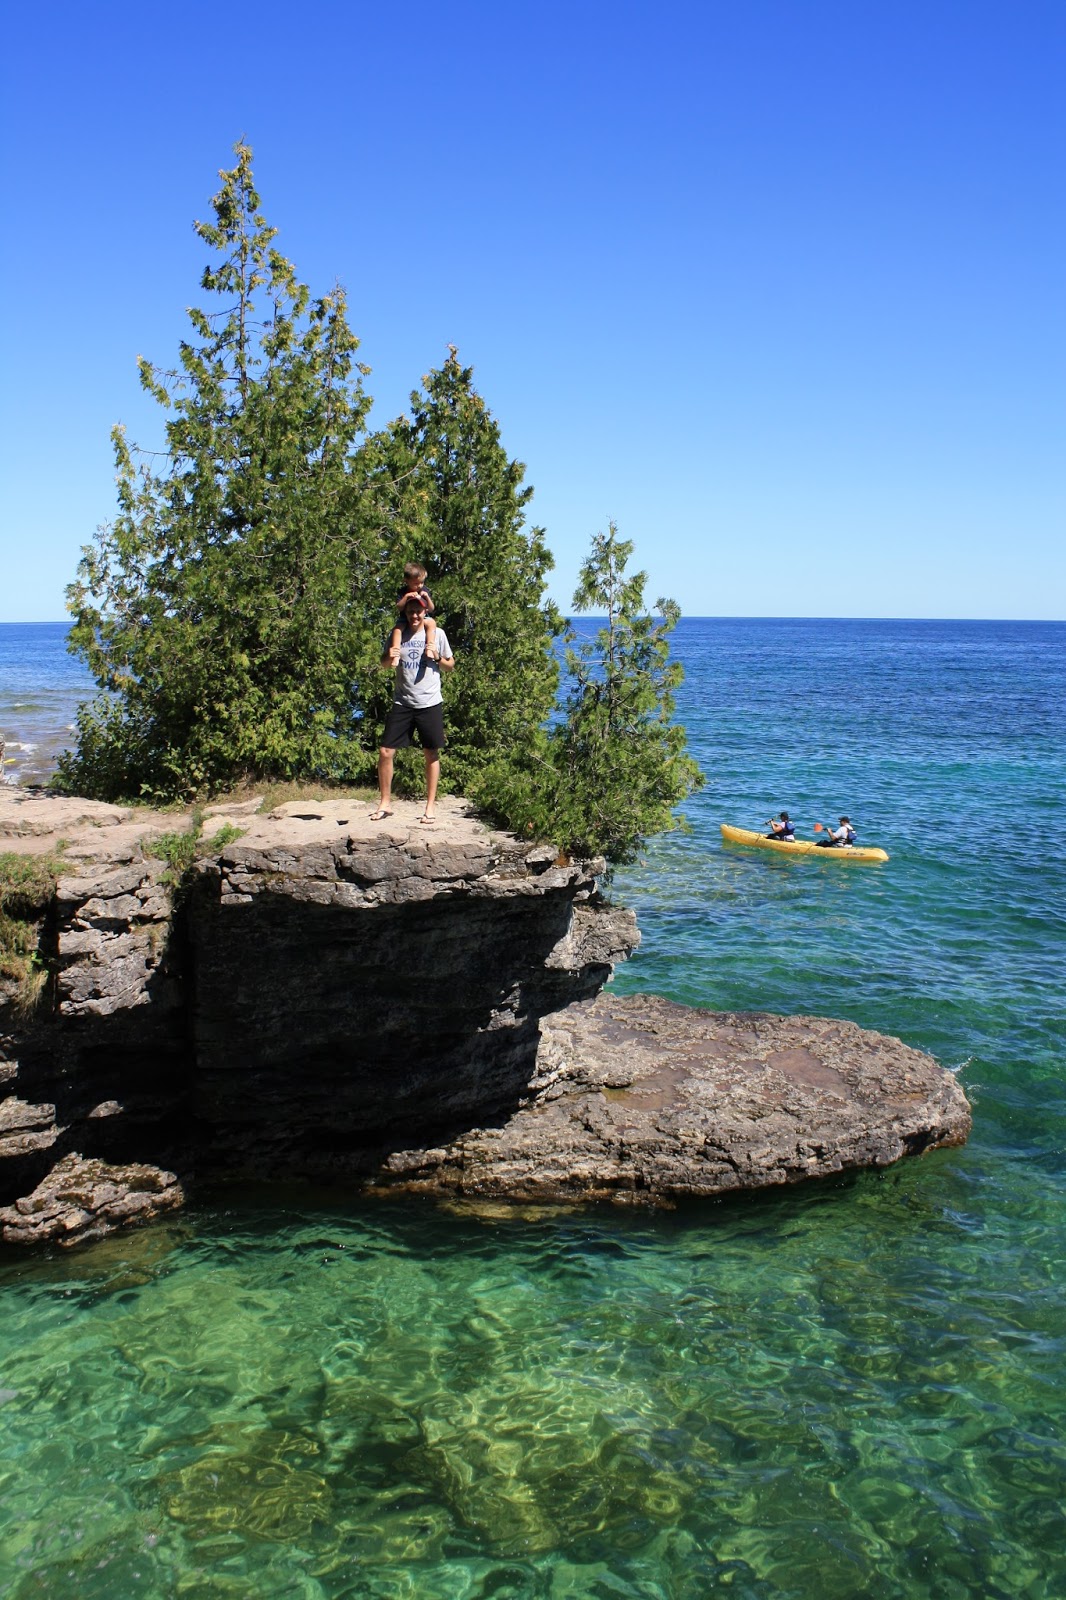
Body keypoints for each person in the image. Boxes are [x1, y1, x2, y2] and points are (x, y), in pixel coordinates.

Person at [371, 592, 454, 825]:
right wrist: (389, 656)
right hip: (403, 702)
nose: (414, 615)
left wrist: (437, 657)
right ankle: (385, 802)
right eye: (410, 611)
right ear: (405, 613)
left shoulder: (437, 634)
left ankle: (430, 806)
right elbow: (384, 664)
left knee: (430, 753)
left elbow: (450, 665)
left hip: (429, 702)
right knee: (386, 751)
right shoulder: (398, 634)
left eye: (418, 611)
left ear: (424, 611)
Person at [388, 562, 437, 663]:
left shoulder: (424, 590)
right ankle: (396, 654)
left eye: (422, 582)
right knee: (397, 629)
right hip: (405, 618)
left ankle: (430, 647)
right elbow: (399, 607)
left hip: (423, 617)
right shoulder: (403, 592)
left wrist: (427, 597)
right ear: (407, 581)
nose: (419, 586)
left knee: (431, 623)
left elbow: (431, 609)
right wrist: (406, 597)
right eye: (416, 583)